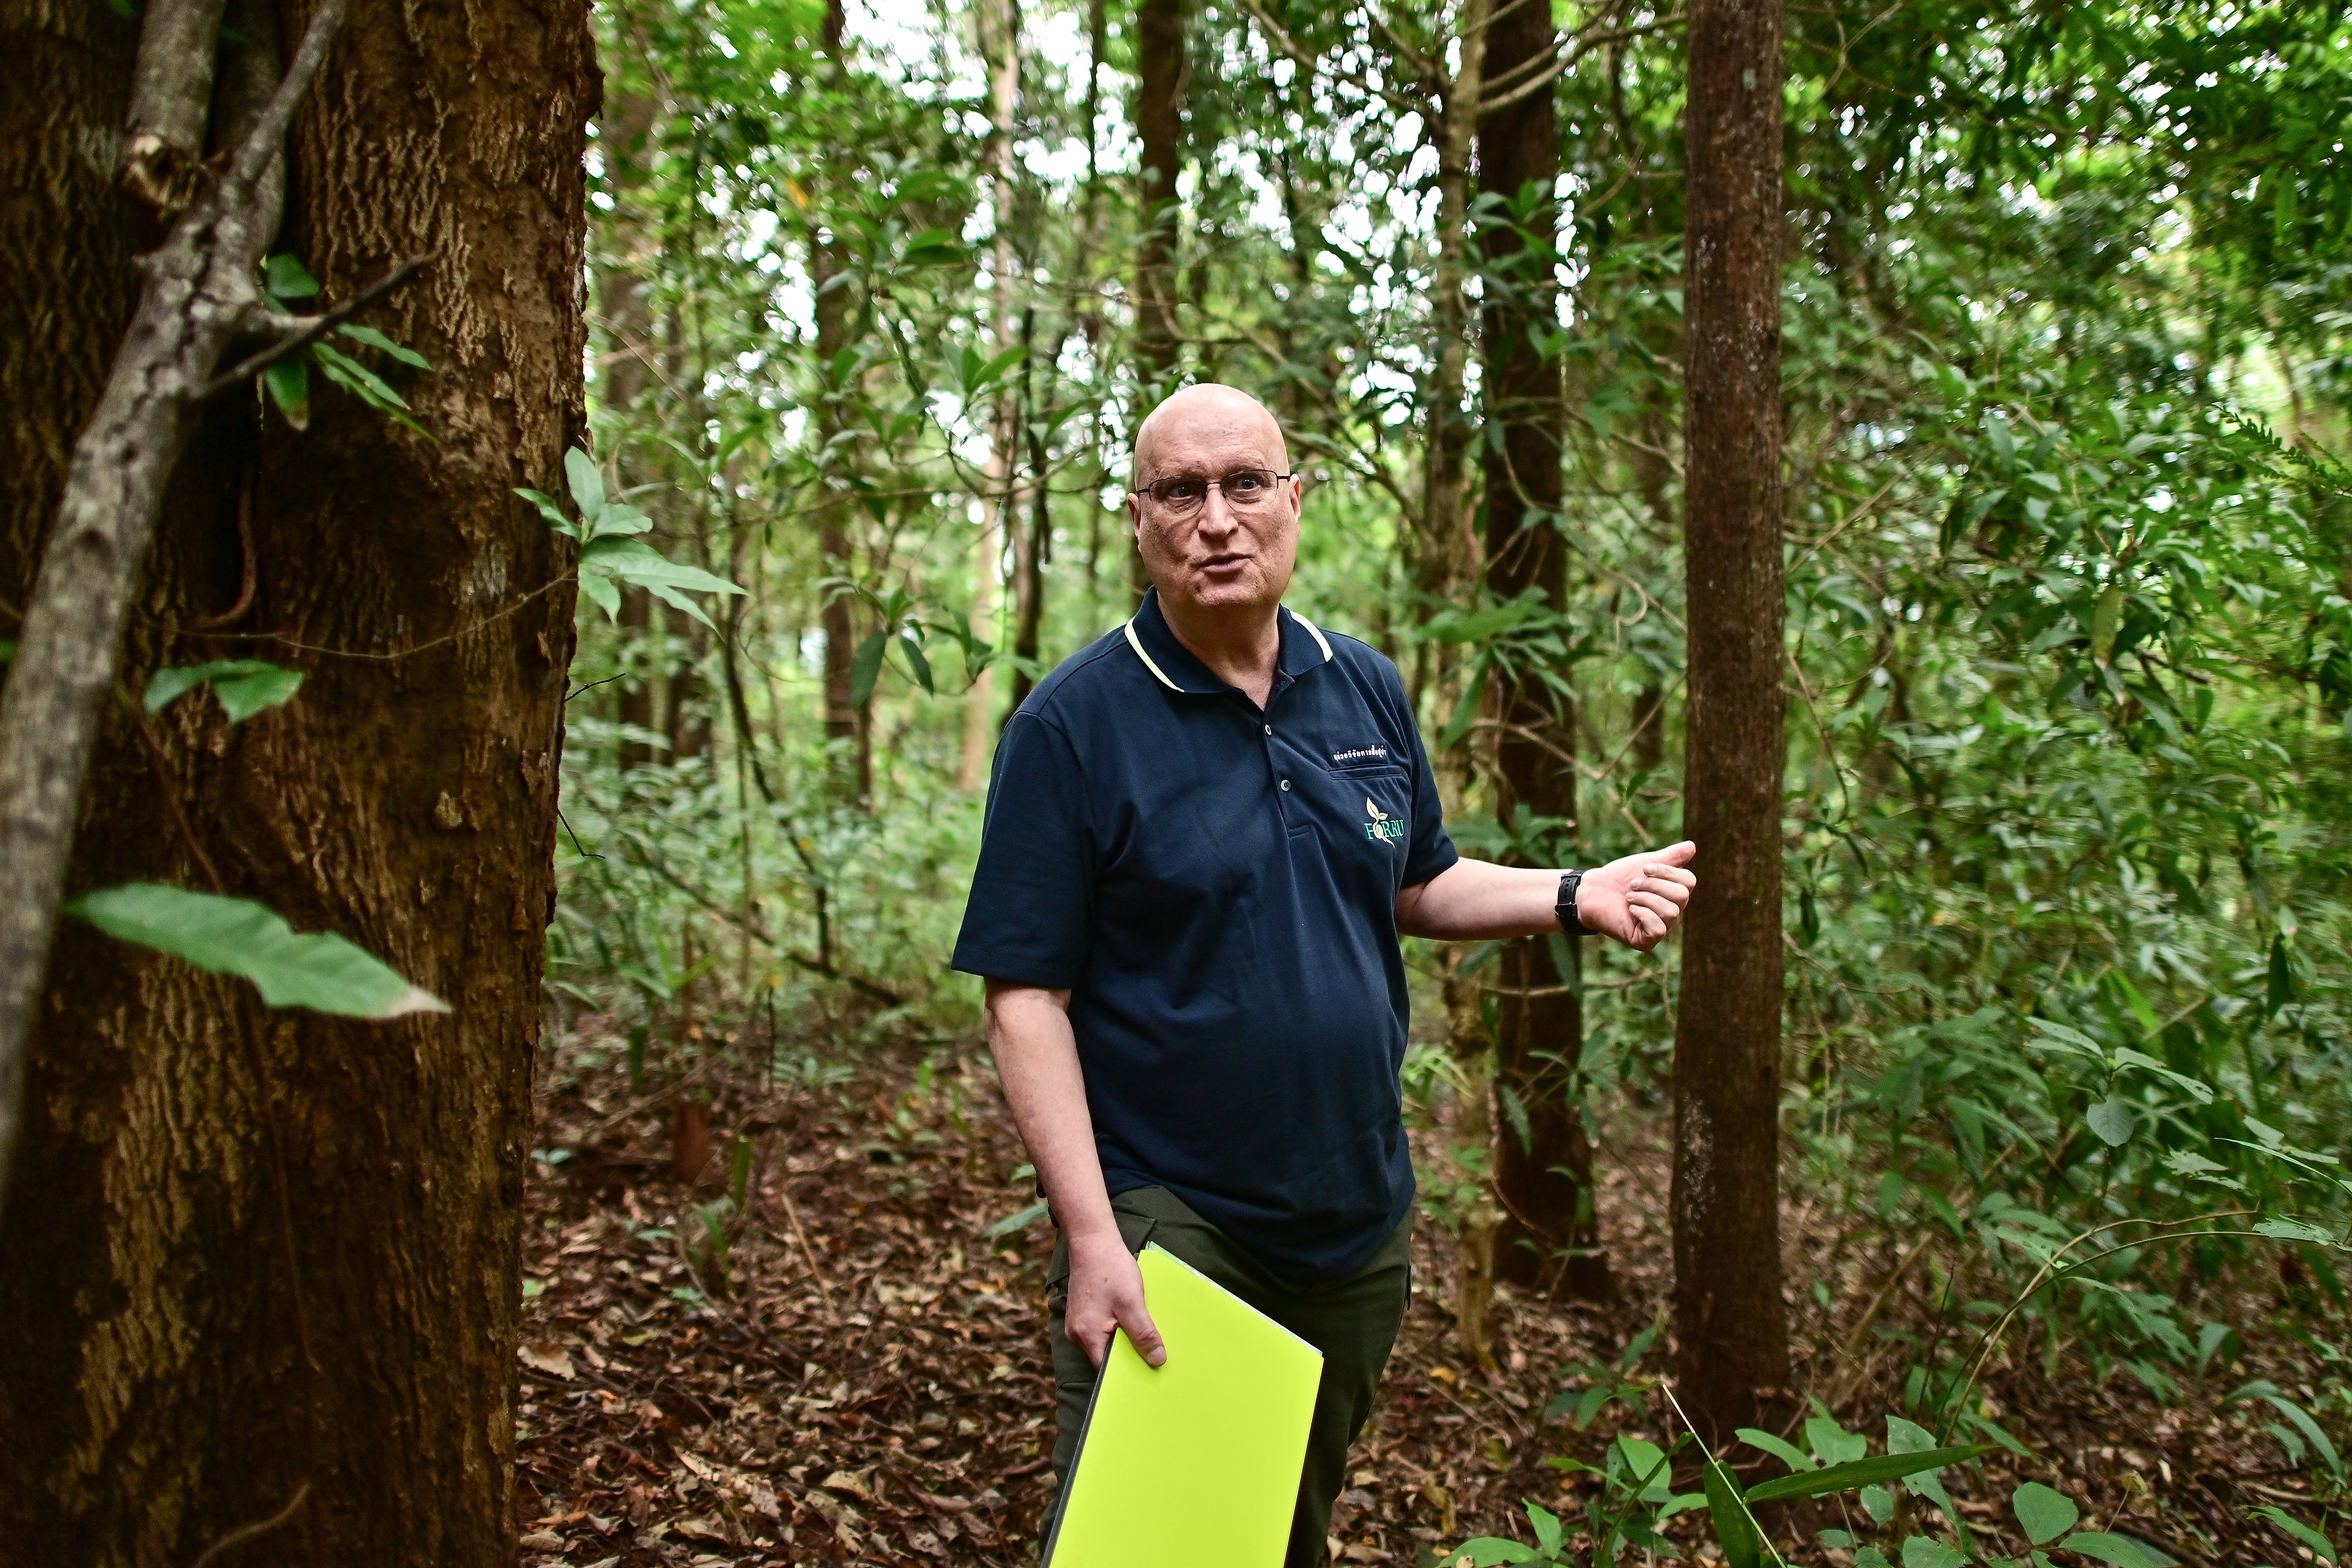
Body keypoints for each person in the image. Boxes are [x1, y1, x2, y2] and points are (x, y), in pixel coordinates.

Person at [951, 383, 1695, 1566]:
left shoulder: (1363, 687)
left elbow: (1415, 882)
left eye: (1246, 483)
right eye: (1181, 493)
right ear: (1138, 521)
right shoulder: (1072, 727)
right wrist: (1094, 1239)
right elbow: (1023, 998)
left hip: (1355, 1223)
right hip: (1180, 1220)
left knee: (1279, 1532)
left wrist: (1573, 890)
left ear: (1295, 501)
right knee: (1155, 1544)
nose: (1217, 518)